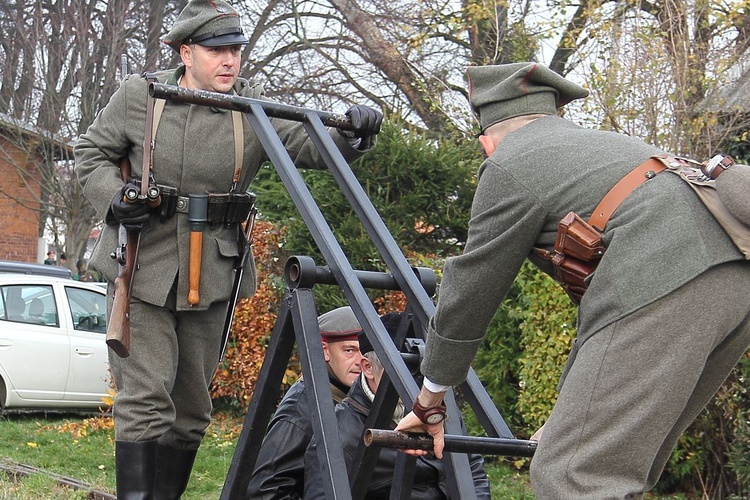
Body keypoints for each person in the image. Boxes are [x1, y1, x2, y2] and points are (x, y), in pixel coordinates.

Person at [394, 61, 750, 498]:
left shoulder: (510, 163)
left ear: (487, 141)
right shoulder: (607, 147)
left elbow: (470, 288)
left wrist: (429, 398)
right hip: (735, 278)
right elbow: (607, 313)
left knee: (574, 478)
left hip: (666, 276)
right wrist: (568, 414)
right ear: (550, 113)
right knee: (616, 469)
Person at [74, 0, 382, 497]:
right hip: (145, 260)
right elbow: (90, 153)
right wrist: (116, 197)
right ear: (185, 51)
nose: (229, 61)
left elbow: (308, 146)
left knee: (192, 406)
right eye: (217, 51)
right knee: (147, 397)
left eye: (236, 50)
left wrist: (355, 133)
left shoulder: (251, 107)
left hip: (215, 267)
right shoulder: (142, 96)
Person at [304, 312, 491, 499]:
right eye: (401, 370)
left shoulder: (437, 407)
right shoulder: (338, 435)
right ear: (368, 367)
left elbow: (472, 468)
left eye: (421, 370)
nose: (414, 381)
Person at [247, 306, 365, 499]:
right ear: (325, 351)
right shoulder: (301, 410)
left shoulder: (355, 394)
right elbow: (265, 490)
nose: (360, 361)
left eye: (366, 352)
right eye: (349, 350)